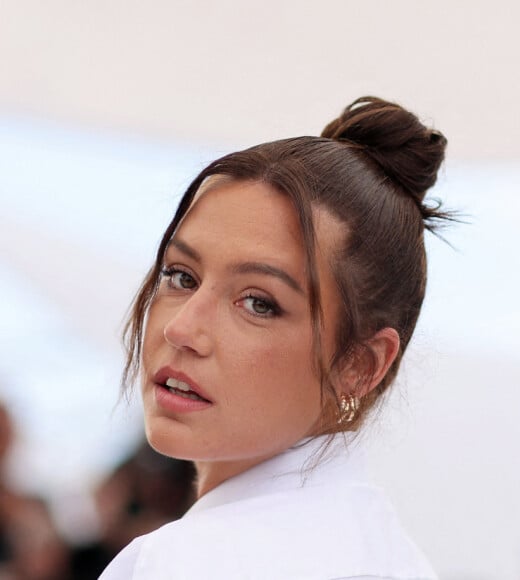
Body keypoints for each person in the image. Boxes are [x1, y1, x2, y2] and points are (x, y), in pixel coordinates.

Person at [100, 96, 450, 579]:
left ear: (360, 364)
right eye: (181, 276)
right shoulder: (400, 561)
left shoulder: (183, 562)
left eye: (258, 303)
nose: (181, 329)